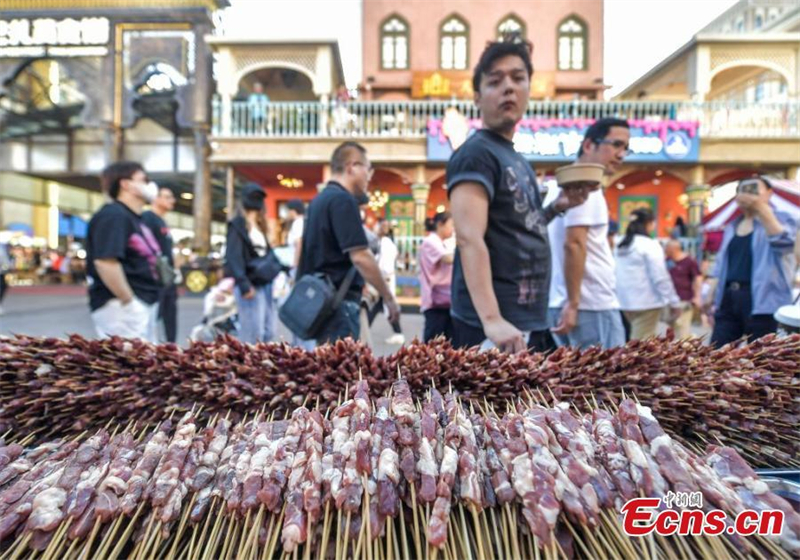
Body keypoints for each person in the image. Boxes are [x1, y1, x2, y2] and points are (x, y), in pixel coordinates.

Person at [447, 37, 592, 353]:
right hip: (493, 326)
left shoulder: (519, 160)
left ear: (529, 88)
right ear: (477, 97)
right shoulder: (476, 155)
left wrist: (558, 207)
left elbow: (525, 225)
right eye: (495, 81)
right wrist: (492, 318)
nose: (508, 88)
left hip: (527, 319)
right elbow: (469, 238)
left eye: (518, 78)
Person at [297, 141, 400, 344]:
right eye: (368, 169)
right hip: (339, 307)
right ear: (352, 167)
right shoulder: (343, 200)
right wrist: (388, 297)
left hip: (322, 305)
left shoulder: (319, 200)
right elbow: (361, 256)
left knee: (328, 370)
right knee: (345, 371)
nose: (369, 177)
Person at [546, 118, 630, 349]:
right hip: (589, 305)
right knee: (607, 382)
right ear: (588, 145)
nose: (621, 154)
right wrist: (573, 303)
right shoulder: (583, 185)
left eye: (625, 148)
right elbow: (574, 244)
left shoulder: (562, 184)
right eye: (616, 145)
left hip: (571, 303)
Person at [708, 176, 797, 346]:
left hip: (766, 301)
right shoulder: (731, 226)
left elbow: (785, 245)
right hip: (729, 298)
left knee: (762, 359)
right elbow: (721, 264)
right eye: (742, 190)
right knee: (717, 352)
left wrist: (761, 209)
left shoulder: (785, 217)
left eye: (753, 189)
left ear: (769, 193)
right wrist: (711, 294)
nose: (746, 195)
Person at [86, 161, 162, 342]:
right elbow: (105, 262)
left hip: (143, 301)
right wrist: (129, 302)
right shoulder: (114, 215)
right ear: (125, 184)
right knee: (129, 364)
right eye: (144, 179)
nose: (150, 185)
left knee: (147, 362)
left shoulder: (137, 218)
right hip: (120, 306)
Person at [615, 208, 681, 340]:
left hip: (622, 302)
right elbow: (660, 277)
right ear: (649, 223)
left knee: (626, 341)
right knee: (640, 348)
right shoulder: (650, 245)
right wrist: (674, 301)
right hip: (647, 303)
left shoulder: (620, 244)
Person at [224, 183, 277, 344]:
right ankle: (249, 367)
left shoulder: (261, 226)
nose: (257, 201)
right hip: (250, 284)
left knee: (269, 331)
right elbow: (233, 256)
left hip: (266, 283)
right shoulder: (237, 225)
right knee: (253, 334)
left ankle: (257, 364)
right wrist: (244, 284)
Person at [142, 186, 178, 342]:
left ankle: (171, 347)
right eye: (167, 197)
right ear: (156, 199)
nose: (172, 200)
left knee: (170, 315)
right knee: (153, 318)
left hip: (167, 278)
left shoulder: (162, 221)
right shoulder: (148, 219)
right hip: (156, 279)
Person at [284, 199, 315, 351]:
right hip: (303, 270)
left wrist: (295, 268)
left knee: (296, 307)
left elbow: (299, 244)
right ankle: (301, 346)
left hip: (297, 270)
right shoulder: (306, 222)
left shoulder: (298, 223)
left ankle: (301, 347)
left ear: (293, 210)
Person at [419, 211, 455, 341]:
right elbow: (448, 259)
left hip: (444, 299)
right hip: (435, 301)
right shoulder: (430, 241)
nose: (453, 229)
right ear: (440, 224)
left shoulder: (440, 242)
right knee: (433, 345)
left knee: (446, 344)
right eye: (451, 225)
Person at [665, 240, 703, 338]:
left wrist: (697, 296)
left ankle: (686, 345)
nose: (665, 250)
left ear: (674, 249)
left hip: (684, 299)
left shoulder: (689, 261)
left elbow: (697, 278)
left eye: (667, 248)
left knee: (682, 329)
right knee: (672, 330)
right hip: (670, 300)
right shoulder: (667, 260)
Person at [376, 218, 405, 344]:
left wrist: (384, 279)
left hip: (383, 279)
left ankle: (398, 333)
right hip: (383, 278)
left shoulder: (385, 242)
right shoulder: (386, 242)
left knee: (387, 306)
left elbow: (385, 264)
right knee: (377, 306)